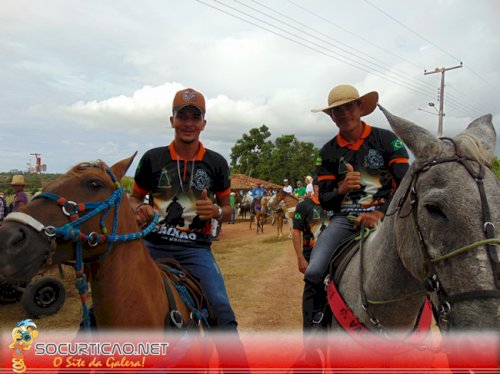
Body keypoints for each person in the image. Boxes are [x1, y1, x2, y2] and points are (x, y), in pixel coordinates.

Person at [303, 84, 409, 330]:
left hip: (389, 217)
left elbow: (405, 185)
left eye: (349, 107)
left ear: (360, 107)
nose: (344, 114)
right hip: (345, 221)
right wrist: (341, 189)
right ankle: (311, 341)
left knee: (425, 262)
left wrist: (381, 213)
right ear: (331, 116)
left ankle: (444, 319)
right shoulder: (327, 152)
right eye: (337, 111)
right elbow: (325, 201)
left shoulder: (386, 140)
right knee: (314, 271)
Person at [130, 87, 237, 330]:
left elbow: (228, 210)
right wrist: (139, 209)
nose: (188, 123)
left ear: (203, 123)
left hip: (195, 249)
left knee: (221, 308)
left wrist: (217, 212)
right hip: (151, 245)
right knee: (107, 301)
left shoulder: (216, 163)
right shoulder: (152, 159)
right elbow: (133, 198)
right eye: (182, 116)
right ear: (172, 120)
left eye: (195, 117)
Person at [292, 177, 329, 275]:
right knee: (312, 287)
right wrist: (300, 258)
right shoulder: (303, 206)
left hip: (331, 253)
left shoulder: (332, 205)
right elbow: (296, 231)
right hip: (312, 255)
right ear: (316, 187)